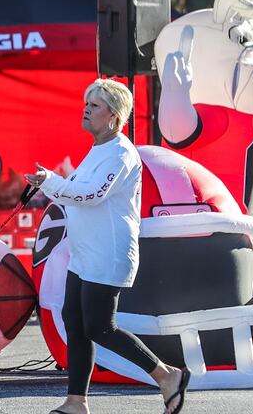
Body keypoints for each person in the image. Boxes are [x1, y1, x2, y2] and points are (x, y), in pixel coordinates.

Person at [24, 79, 190, 414]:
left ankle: (166, 375)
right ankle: (76, 402)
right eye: (87, 103)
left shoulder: (121, 154)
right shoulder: (99, 149)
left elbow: (92, 193)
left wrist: (54, 183)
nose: (86, 109)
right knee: (75, 319)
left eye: (94, 105)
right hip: (85, 253)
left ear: (114, 116)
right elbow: (79, 191)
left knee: (100, 327)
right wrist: (49, 184)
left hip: (108, 254)